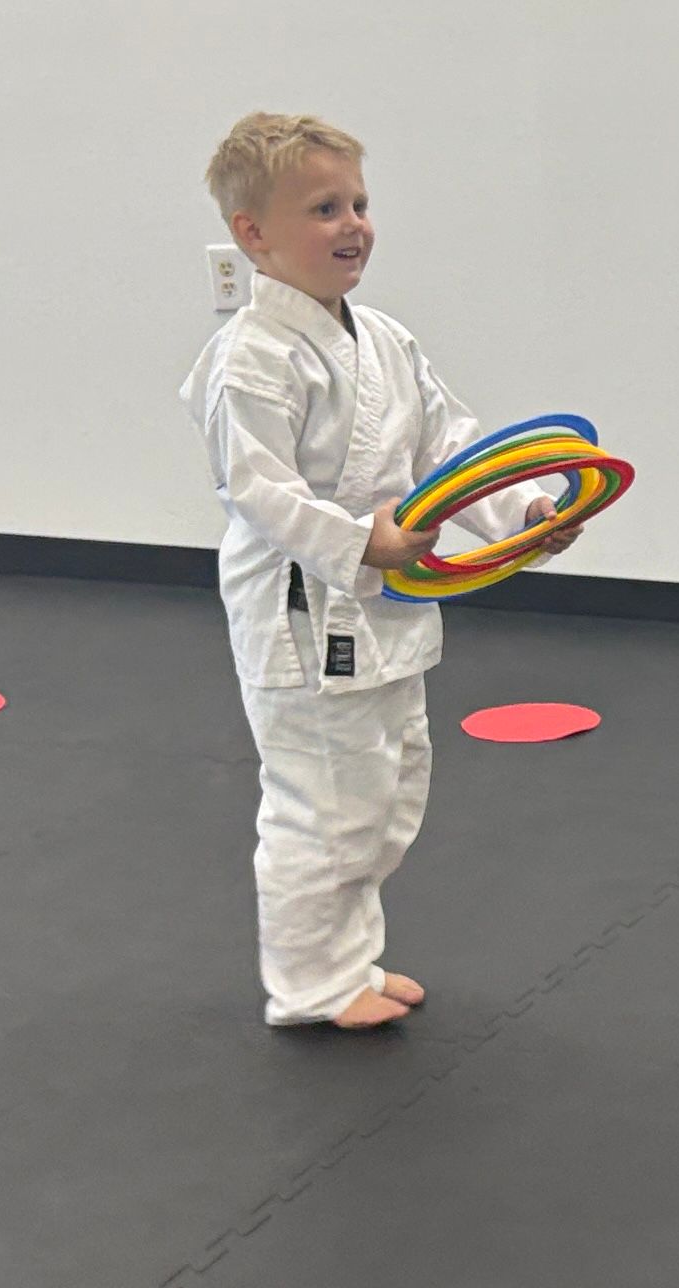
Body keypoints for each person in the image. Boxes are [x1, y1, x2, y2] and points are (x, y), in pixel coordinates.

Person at [179, 112, 582, 1029]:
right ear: (252, 235)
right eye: (324, 208)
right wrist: (364, 541)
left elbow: (451, 449)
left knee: (387, 789)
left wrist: (524, 514)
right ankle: (310, 986)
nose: (353, 223)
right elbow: (256, 492)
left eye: (358, 202)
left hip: (386, 599)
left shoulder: (386, 340)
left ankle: (348, 964)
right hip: (304, 606)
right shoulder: (249, 357)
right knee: (324, 803)